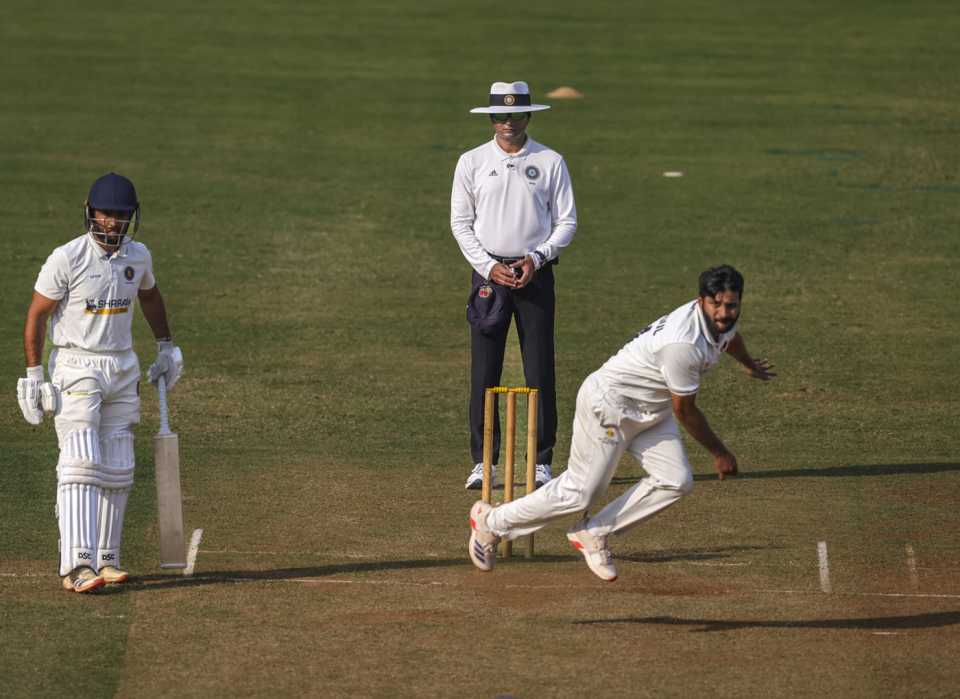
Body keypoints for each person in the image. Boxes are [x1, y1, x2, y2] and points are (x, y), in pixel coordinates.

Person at [467, 265, 775, 581]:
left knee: (676, 480)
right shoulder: (683, 345)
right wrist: (720, 453)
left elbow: (729, 338)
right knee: (581, 492)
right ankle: (491, 523)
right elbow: (686, 411)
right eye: (717, 305)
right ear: (701, 301)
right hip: (610, 405)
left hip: (651, 412)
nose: (724, 313)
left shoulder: (717, 323)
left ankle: (593, 532)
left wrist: (749, 364)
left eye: (732, 305)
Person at [17, 172, 183, 593]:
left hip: (122, 367)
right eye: (106, 214)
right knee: (80, 460)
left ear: (131, 217)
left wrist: (165, 346)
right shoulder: (67, 258)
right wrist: (35, 373)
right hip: (76, 365)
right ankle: (77, 565)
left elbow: (149, 296)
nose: (112, 223)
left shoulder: (138, 256)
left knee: (119, 464)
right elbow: (37, 315)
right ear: (91, 213)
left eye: (120, 216)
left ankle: (107, 559)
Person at [451, 80, 578, 491]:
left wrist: (536, 259)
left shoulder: (550, 161)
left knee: (539, 366)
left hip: (534, 274)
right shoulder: (471, 162)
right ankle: (483, 462)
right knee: (484, 370)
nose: (508, 123)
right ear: (491, 119)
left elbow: (567, 222)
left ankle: (540, 462)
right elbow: (461, 223)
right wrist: (488, 267)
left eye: (516, 115)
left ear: (528, 116)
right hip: (490, 279)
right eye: (500, 116)